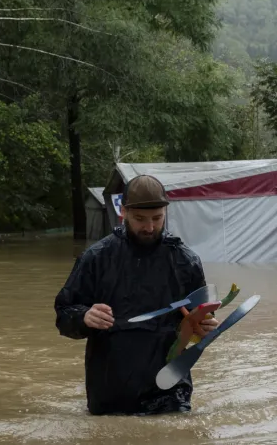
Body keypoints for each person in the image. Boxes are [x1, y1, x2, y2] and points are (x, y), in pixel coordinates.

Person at [54, 174, 218, 415]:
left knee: (178, 430)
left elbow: (199, 321)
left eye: (157, 218)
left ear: (165, 213)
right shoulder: (96, 258)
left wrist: (205, 328)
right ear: (123, 212)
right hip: (111, 392)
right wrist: (84, 317)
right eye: (140, 219)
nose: (149, 228)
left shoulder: (186, 261)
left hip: (170, 390)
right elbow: (64, 314)